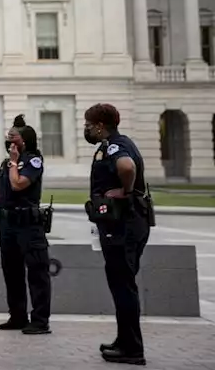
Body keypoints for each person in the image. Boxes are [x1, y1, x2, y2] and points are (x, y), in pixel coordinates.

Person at [84, 103, 151, 366]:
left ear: (101, 125)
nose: (86, 129)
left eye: (89, 125)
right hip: (124, 225)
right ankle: (124, 340)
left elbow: (127, 167)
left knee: (124, 287)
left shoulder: (115, 145)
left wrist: (125, 191)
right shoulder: (114, 143)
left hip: (124, 225)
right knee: (122, 285)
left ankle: (133, 349)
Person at [0, 115, 51, 335]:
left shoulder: (33, 160)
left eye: (13, 137)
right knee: (12, 273)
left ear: (25, 140)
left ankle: (40, 320)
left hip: (28, 225)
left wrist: (13, 162)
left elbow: (18, 184)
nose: (9, 141)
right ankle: (17, 316)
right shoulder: (6, 164)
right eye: (8, 137)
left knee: (37, 274)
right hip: (8, 225)